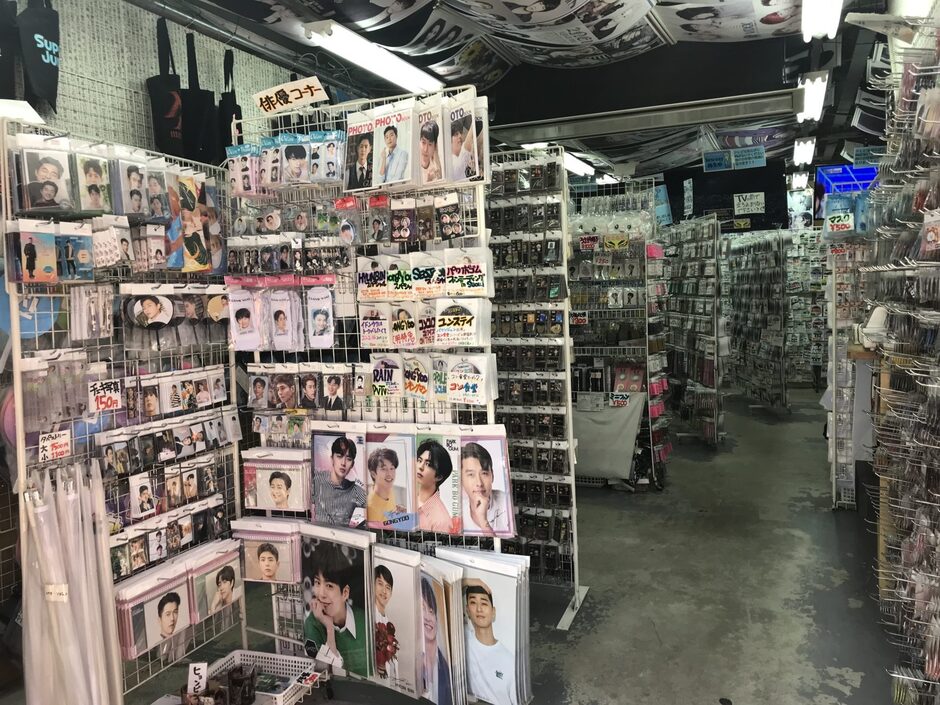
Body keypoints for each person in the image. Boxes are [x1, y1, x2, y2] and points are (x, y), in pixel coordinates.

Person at [303, 542, 368, 675]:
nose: (321, 594)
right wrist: (329, 628)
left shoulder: (364, 620)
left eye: (329, 586)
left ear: (345, 593)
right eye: (317, 583)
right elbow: (323, 672)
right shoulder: (312, 623)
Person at [464, 581, 517, 705]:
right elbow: (444, 592)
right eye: (473, 603)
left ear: (493, 612)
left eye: (484, 603)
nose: (479, 609)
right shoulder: (463, 638)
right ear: (467, 610)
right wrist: (466, 581)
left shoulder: (510, 662)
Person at [312, 436, 365, 525]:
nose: (343, 463)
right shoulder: (317, 480)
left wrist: (360, 526)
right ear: (332, 458)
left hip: (343, 533)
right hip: (318, 532)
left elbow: (376, 507)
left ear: (352, 464)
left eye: (348, 459)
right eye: (339, 456)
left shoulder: (355, 491)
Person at [460, 442, 508, 535]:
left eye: (484, 473)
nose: (479, 483)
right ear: (461, 479)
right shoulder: (457, 511)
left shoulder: (506, 502)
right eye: (471, 475)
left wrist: (483, 521)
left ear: (492, 475)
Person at [421, 577, 453, 705]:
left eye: (431, 611)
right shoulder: (407, 658)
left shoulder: (446, 668)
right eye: (422, 608)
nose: (428, 617)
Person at [417, 439, 454, 532]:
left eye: (428, 464)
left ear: (439, 477)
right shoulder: (407, 501)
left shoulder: (441, 521)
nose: (420, 467)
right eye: (419, 460)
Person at [367, 448, 406, 523]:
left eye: (392, 468)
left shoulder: (388, 488)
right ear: (373, 474)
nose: (389, 474)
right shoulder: (371, 509)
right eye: (384, 469)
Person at [373, 565, 398, 680]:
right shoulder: (369, 616)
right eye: (380, 583)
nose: (384, 591)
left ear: (391, 593)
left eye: (388, 587)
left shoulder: (388, 623)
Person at [450, 115, 476, 181]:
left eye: (460, 133)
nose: (460, 136)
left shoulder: (454, 160)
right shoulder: (455, 162)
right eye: (456, 134)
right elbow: (467, 144)